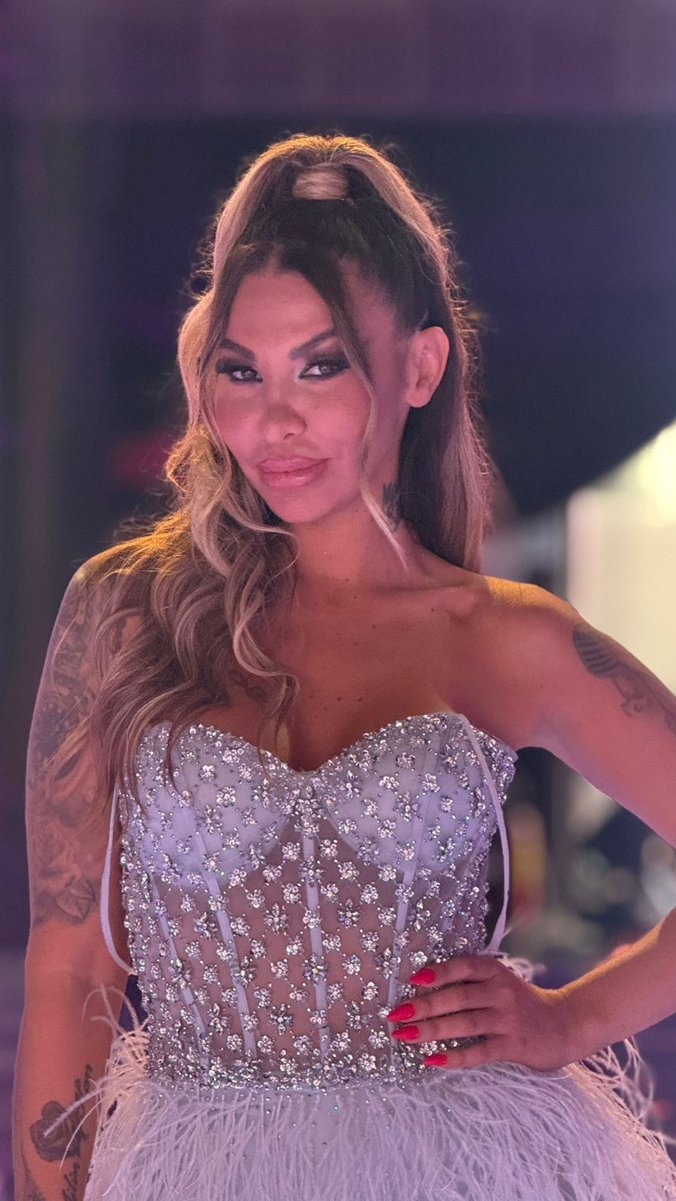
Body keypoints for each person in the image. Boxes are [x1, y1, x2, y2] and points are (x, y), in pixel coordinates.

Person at [12, 132, 676, 1201]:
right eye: (241, 370)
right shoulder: (126, 614)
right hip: (196, 1168)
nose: (275, 418)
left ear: (420, 367)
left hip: (461, 1165)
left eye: (321, 365)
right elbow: (71, 966)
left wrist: (572, 1018)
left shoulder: (498, 636)